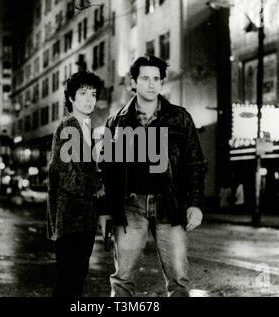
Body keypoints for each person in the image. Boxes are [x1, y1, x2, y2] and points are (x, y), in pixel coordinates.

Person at [98, 55, 207, 297]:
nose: (151, 84)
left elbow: (195, 163)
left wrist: (196, 204)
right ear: (133, 83)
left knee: (178, 279)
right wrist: (105, 210)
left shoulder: (179, 118)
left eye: (156, 79)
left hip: (170, 205)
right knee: (123, 279)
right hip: (130, 207)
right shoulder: (116, 121)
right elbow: (105, 169)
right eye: (145, 78)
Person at [47, 71, 105, 297]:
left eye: (93, 93)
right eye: (83, 93)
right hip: (71, 220)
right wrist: (97, 186)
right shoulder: (68, 127)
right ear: (71, 98)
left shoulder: (86, 128)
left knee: (76, 281)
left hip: (84, 220)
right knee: (68, 283)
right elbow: (66, 176)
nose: (89, 99)